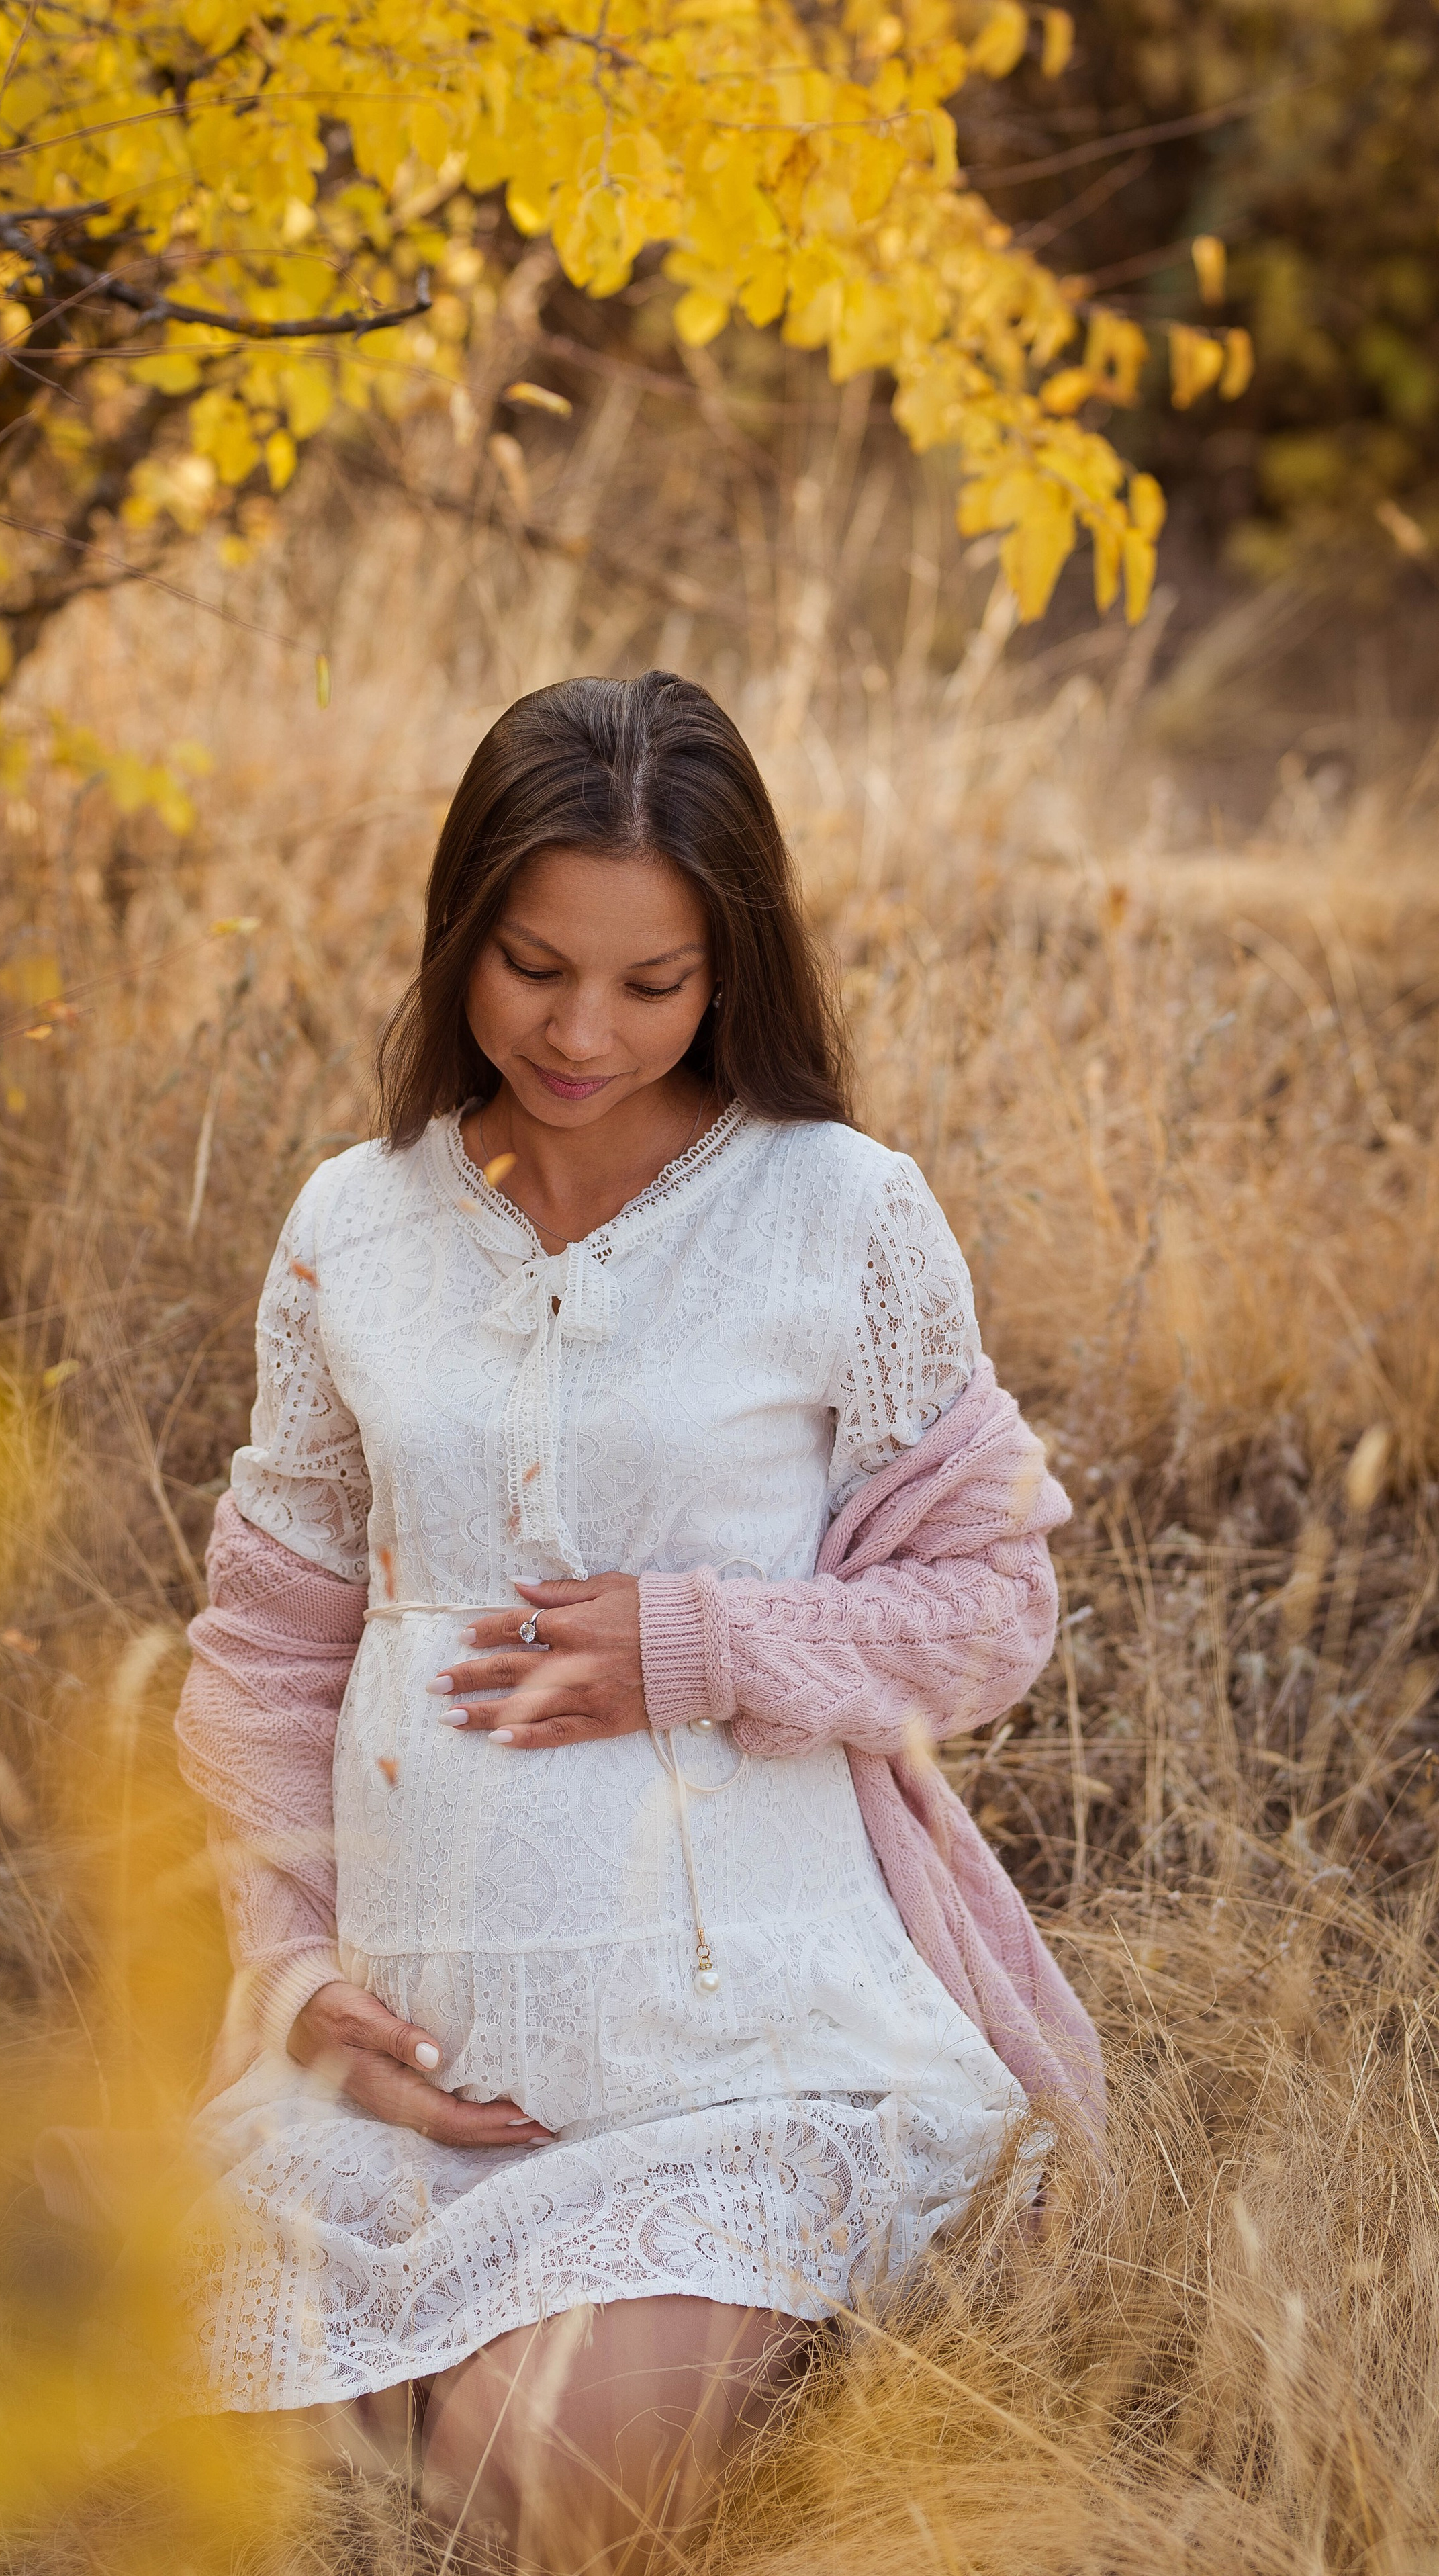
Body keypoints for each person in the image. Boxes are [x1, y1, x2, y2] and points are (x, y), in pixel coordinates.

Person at [171, 671, 1101, 2573]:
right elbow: (265, 1655)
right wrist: (285, 1973)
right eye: (532, 966)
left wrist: (709, 1644)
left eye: (651, 983)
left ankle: (762, 2315)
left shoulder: (840, 1212)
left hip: (734, 2059)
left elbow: (993, 1602)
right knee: (206, 2468)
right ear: (460, 937)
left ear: (727, 967)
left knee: (543, 2485)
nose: (582, 1029)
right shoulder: (354, 1218)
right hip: (411, 2061)